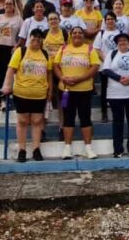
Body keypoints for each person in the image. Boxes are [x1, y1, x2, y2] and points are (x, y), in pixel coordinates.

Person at [1, 28, 51, 162]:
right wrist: (7, 85)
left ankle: (36, 149)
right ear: (29, 38)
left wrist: (50, 90)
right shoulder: (20, 52)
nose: (36, 40)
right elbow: (11, 70)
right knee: (22, 121)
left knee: (37, 121)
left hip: (39, 94)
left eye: (39, 38)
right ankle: (22, 150)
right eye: (34, 37)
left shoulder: (45, 54)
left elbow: (49, 74)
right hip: (21, 93)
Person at [53, 26, 102, 160]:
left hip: (84, 90)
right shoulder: (63, 48)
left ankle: (88, 148)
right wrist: (63, 78)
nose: (77, 35)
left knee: (85, 118)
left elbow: (95, 66)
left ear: (83, 35)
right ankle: (67, 148)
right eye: (74, 33)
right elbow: (55, 65)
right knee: (68, 118)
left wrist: (80, 79)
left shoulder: (89, 48)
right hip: (66, 91)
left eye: (80, 33)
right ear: (71, 35)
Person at [100, 33, 129, 157]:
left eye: (125, 40)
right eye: (120, 40)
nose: (122, 42)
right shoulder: (111, 54)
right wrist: (120, 78)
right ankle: (118, 150)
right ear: (116, 43)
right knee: (117, 122)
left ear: (128, 42)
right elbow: (106, 70)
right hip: (115, 94)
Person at [0, 0, 22, 111]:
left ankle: (2, 99)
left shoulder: (18, 20)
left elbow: (22, 36)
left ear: (14, 6)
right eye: (6, 3)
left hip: (10, 49)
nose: (8, 5)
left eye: (10, 3)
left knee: (6, 73)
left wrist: (17, 46)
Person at [94, 12, 123, 123]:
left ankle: (118, 113)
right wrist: (106, 60)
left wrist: (115, 61)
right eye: (108, 19)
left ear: (115, 20)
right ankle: (104, 113)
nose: (110, 21)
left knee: (118, 89)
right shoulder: (101, 33)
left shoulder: (120, 33)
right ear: (105, 21)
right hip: (105, 66)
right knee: (105, 90)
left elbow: (123, 48)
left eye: (112, 19)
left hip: (118, 67)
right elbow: (97, 49)